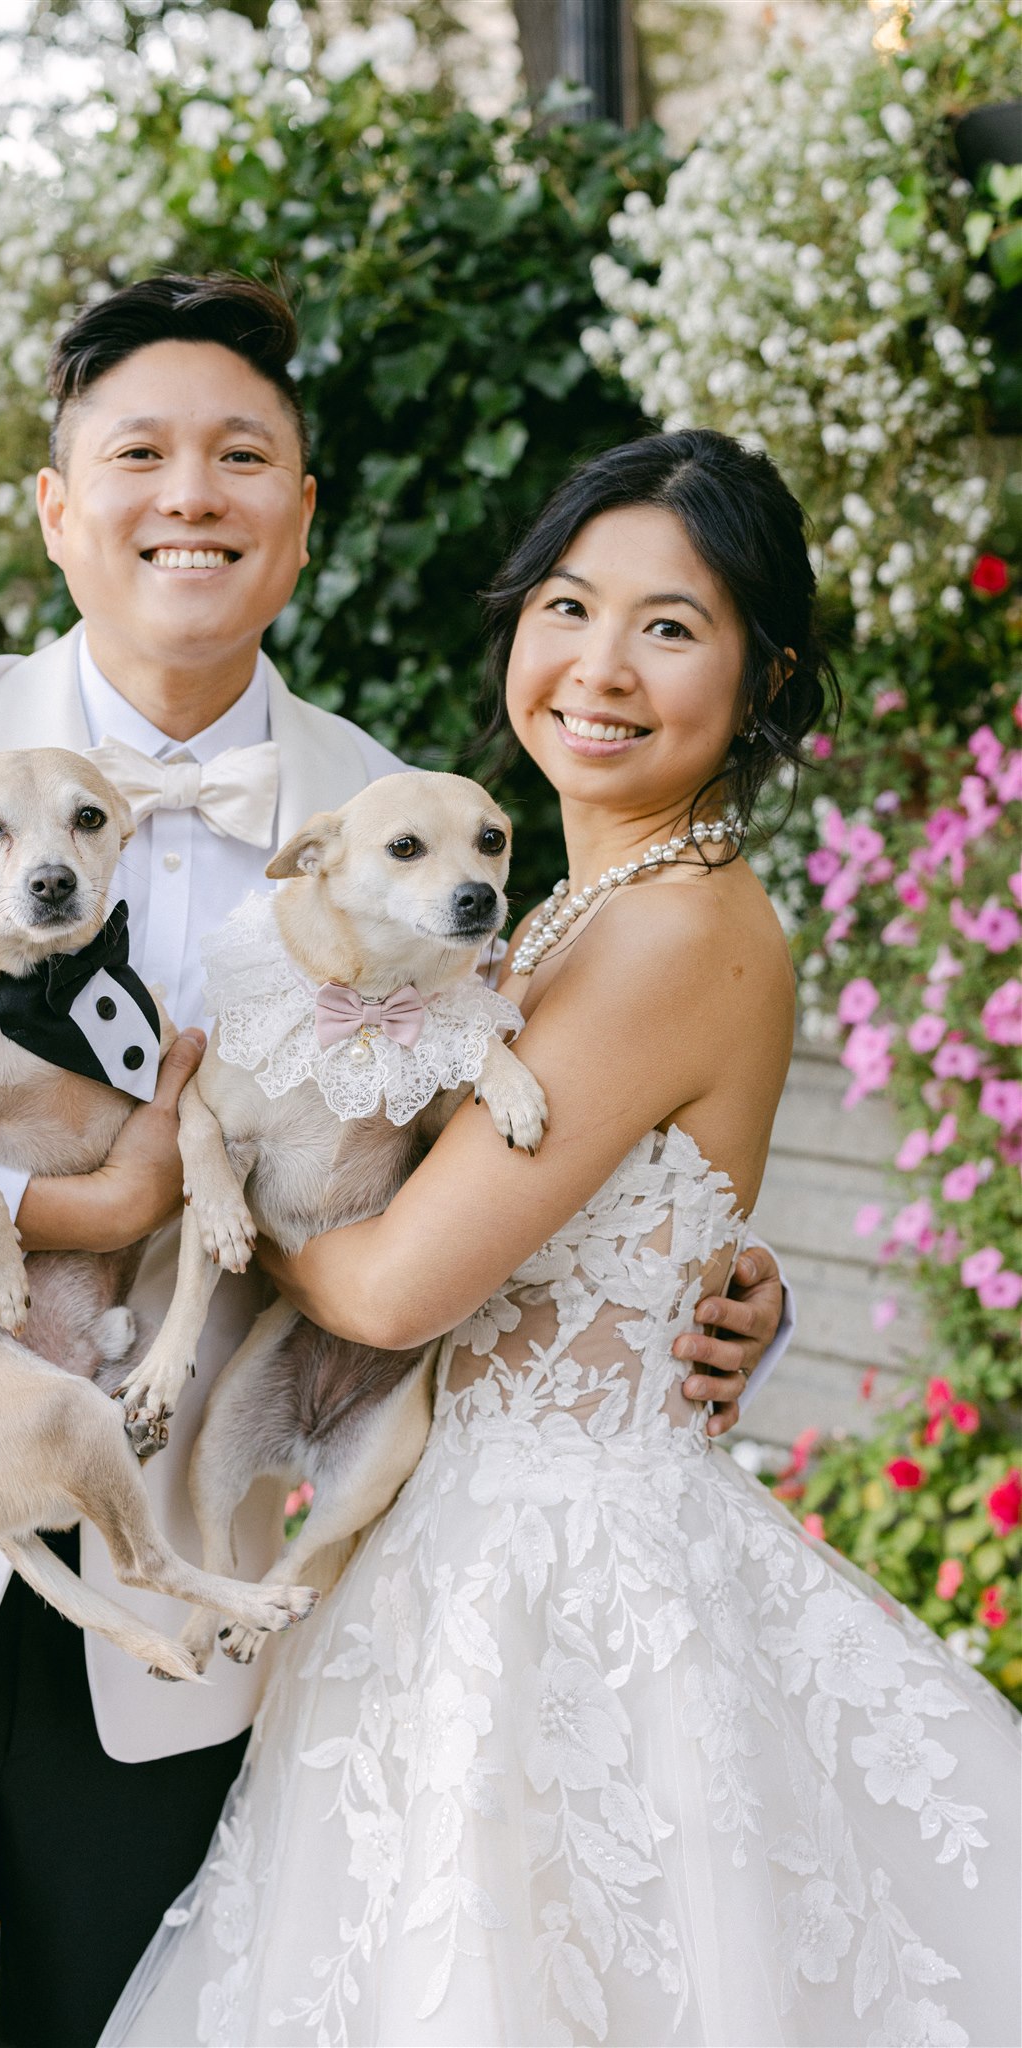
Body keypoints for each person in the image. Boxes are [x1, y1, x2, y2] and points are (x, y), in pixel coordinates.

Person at [0, 283, 788, 2048]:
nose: (192, 492)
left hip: (191, 1647)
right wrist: (51, 1212)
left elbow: (484, 1157)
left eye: (242, 454)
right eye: (140, 454)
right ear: (56, 508)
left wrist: (702, 1270)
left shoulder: (381, 804)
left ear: (302, 514)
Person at [103, 430, 1022, 2048]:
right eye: (566, 605)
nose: (598, 667)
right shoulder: (544, 907)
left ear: (764, 675)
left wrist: (216, 1195)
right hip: (461, 1538)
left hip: (559, 1585)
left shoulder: (668, 927)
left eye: (669, 627)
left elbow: (392, 1285)